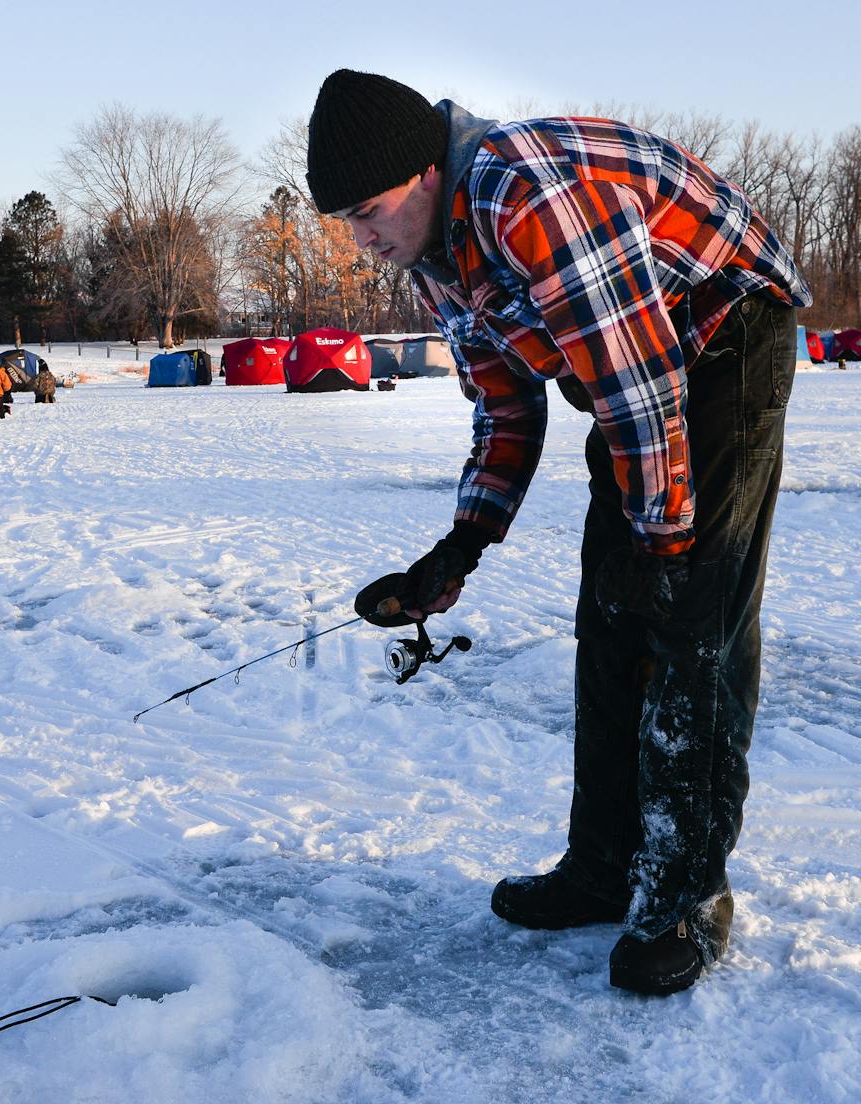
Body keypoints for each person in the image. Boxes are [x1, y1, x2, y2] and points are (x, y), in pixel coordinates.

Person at [306, 70, 810, 996]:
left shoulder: (523, 193)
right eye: (347, 222)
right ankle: (604, 865)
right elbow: (505, 400)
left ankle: (685, 899)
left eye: (369, 211)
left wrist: (666, 539)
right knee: (609, 616)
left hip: (725, 333)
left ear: (425, 173)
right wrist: (463, 544)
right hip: (635, 367)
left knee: (694, 621)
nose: (362, 238)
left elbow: (638, 388)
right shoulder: (435, 258)